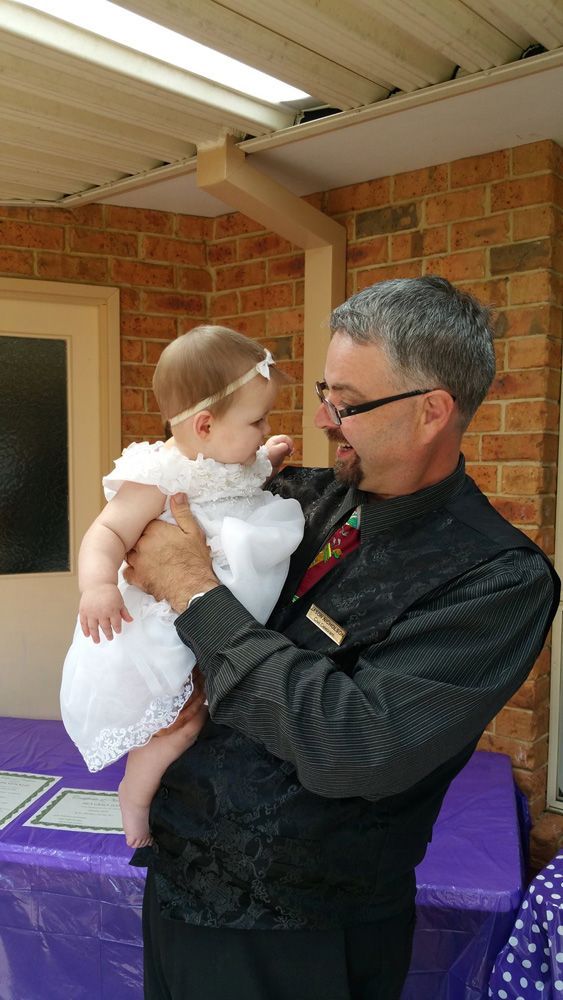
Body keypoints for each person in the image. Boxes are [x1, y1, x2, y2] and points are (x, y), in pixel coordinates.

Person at [124, 276, 560, 1000]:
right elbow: (161, 510)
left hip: (302, 934)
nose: (324, 419)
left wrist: (194, 592)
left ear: (431, 411)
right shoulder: (304, 497)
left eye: (348, 404)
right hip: (180, 887)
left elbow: (354, 745)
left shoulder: (494, 578)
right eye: (327, 392)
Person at [60, 325, 304, 848]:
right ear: (205, 425)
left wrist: (269, 455)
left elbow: (240, 484)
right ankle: (134, 797)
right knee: (180, 724)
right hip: (162, 625)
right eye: (257, 421)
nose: (266, 429)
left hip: (217, 613)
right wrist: (98, 585)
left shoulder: (229, 457)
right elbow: (107, 532)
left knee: (215, 712)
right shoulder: (158, 476)